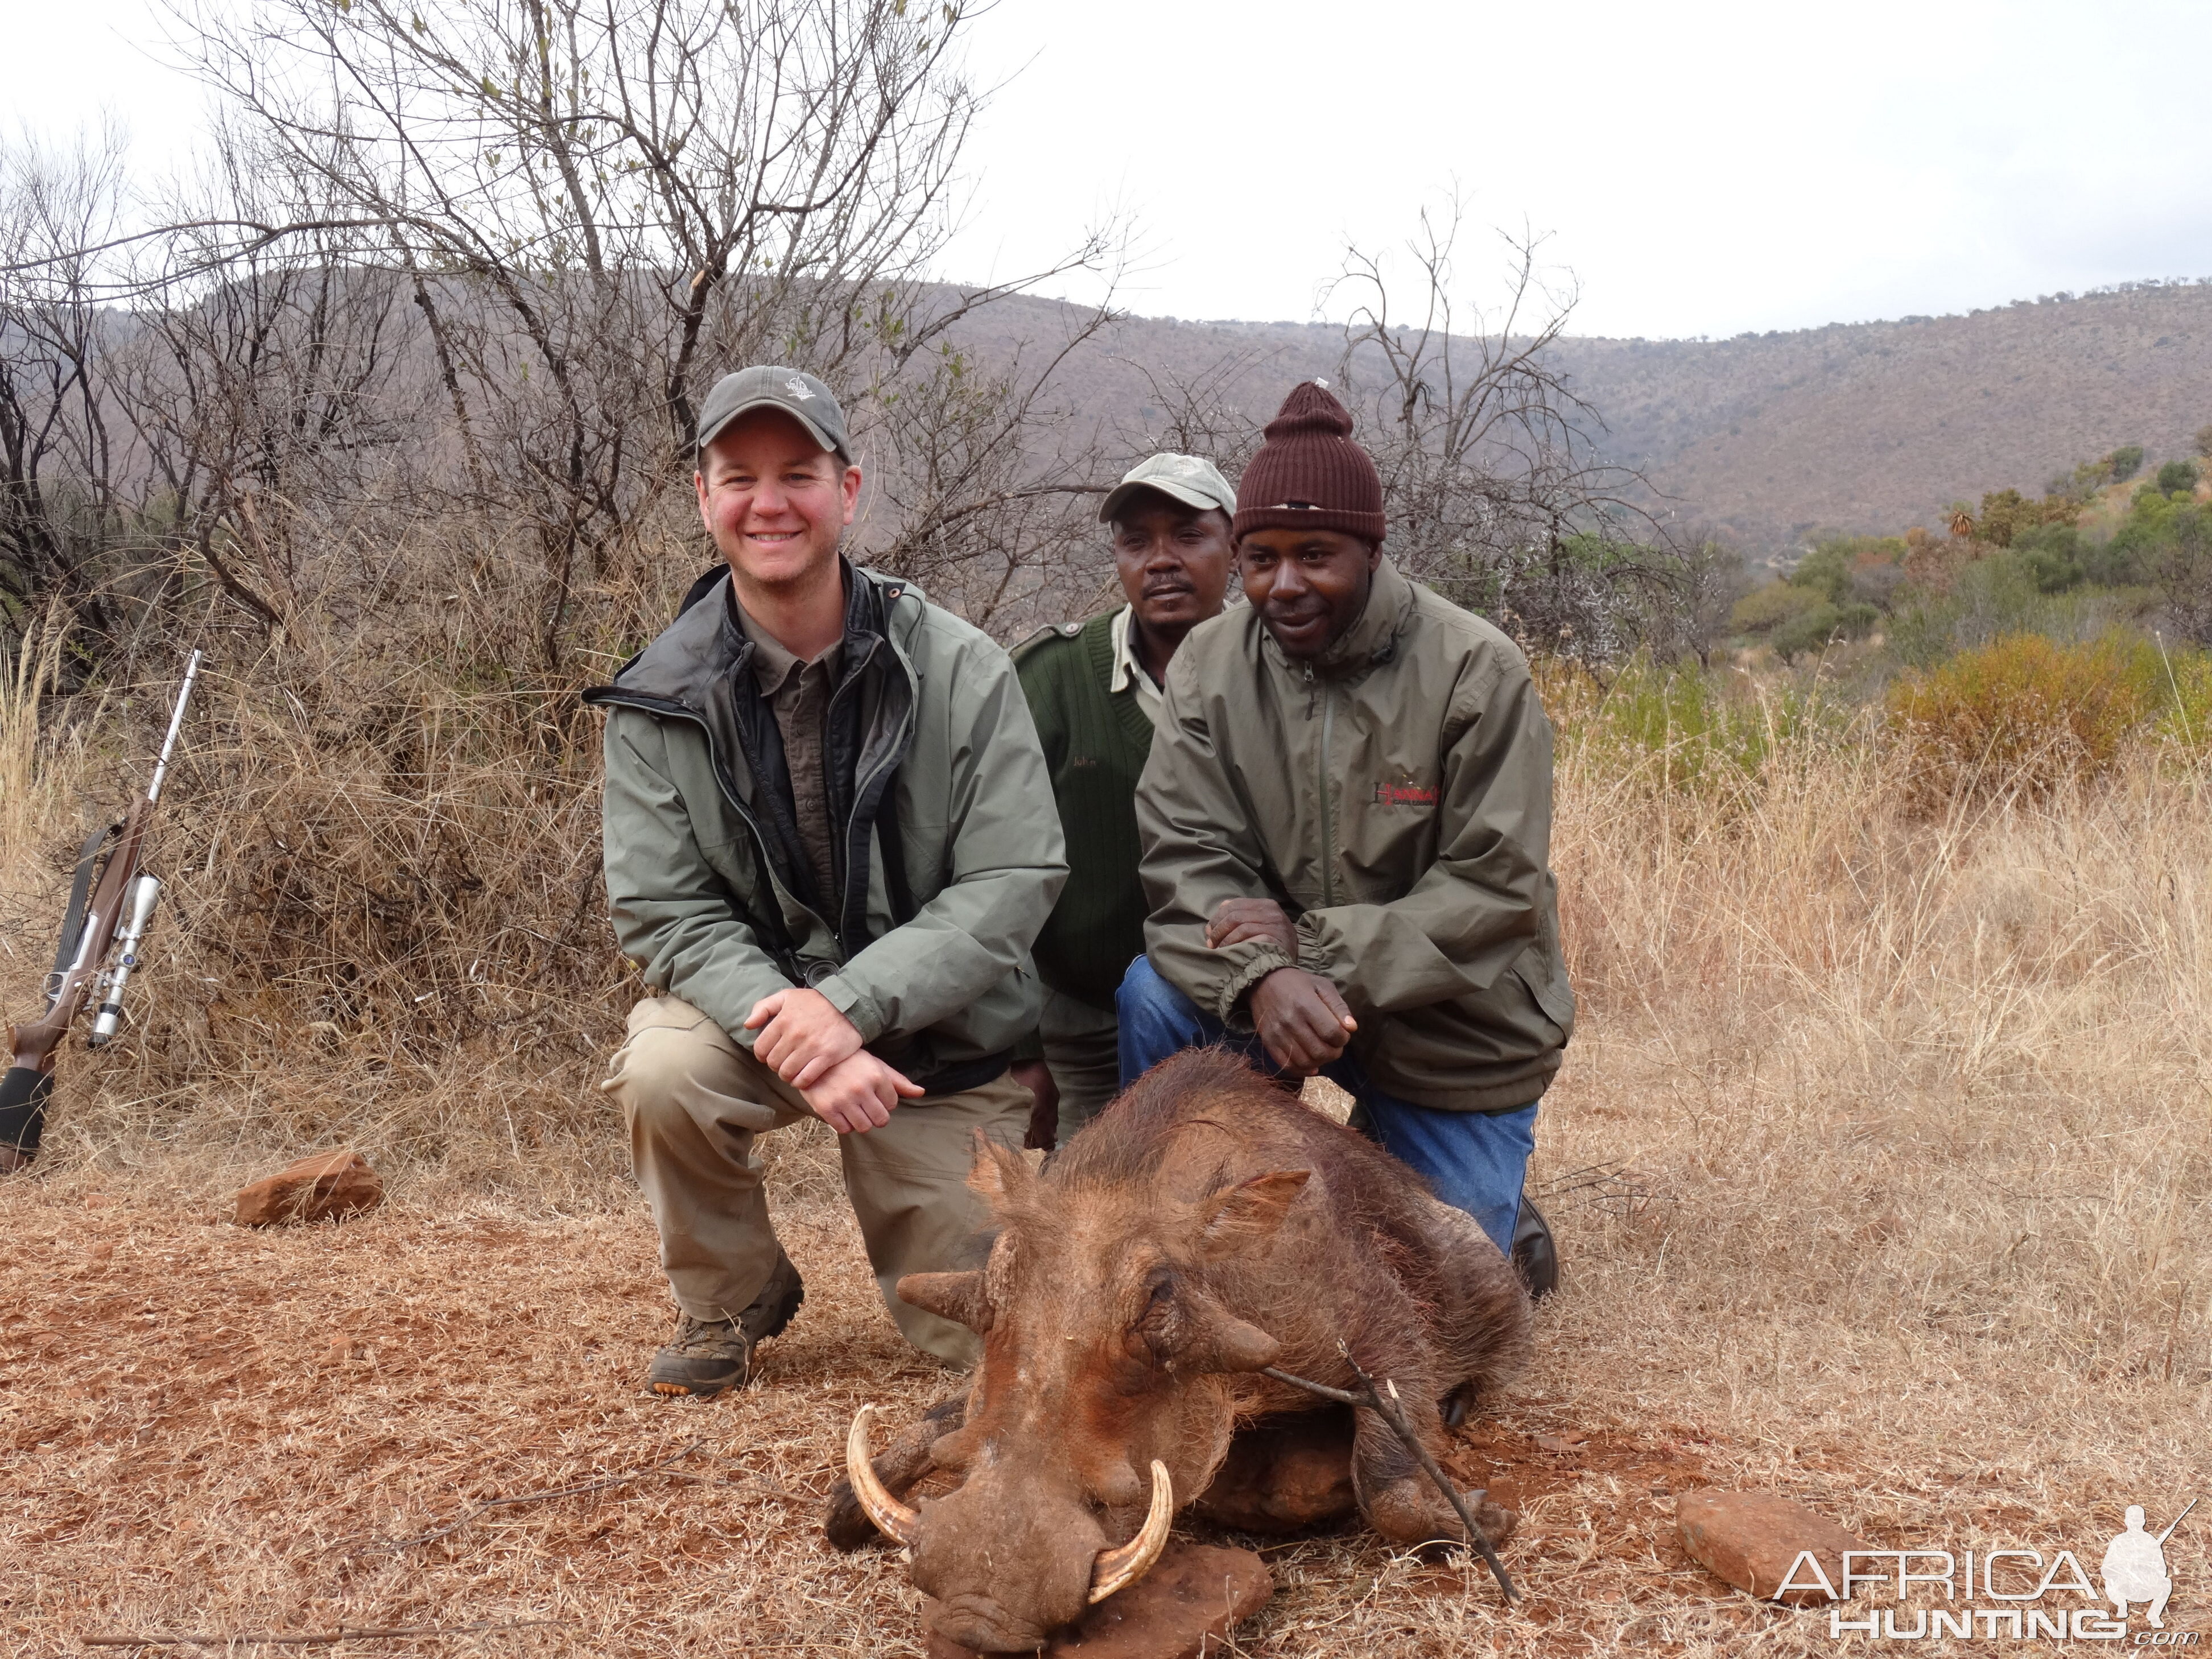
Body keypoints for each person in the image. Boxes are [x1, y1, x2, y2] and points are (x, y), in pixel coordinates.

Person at [584, 365, 1066, 1397]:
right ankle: (732, 1298)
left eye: (798, 473)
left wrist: (846, 1008)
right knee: (665, 1069)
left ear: (849, 492)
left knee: (1001, 1347)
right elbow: (664, 912)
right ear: (700, 496)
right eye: (739, 476)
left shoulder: (960, 665)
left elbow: (1015, 875)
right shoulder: (654, 695)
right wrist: (803, 1035)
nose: (770, 503)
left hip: (939, 1039)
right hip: (762, 1019)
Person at [1119, 381, 1570, 1286]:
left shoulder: (1477, 670)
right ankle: (1187, 1211)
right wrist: (1266, 976)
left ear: (1372, 548)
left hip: (1452, 1025)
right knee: (1153, 996)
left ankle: (1452, 1183)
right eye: (1261, 558)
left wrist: (1313, 950)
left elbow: (1495, 889)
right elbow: (1187, 859)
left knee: (1434, 1314)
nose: (1285, 585)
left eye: (1316, 555)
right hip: (1277, 1000)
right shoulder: (1211, 662)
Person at [1008, 454, 1237, 1150]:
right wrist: (1023, 1047)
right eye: (1137, 542)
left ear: (1235, 543)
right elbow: (992, 871)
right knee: (1094, 1221)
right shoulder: (1051, 678)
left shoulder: (1277, 673)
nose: (1161, 561)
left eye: (1188, 536)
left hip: (1230, 1012)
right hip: (1084, 1023)